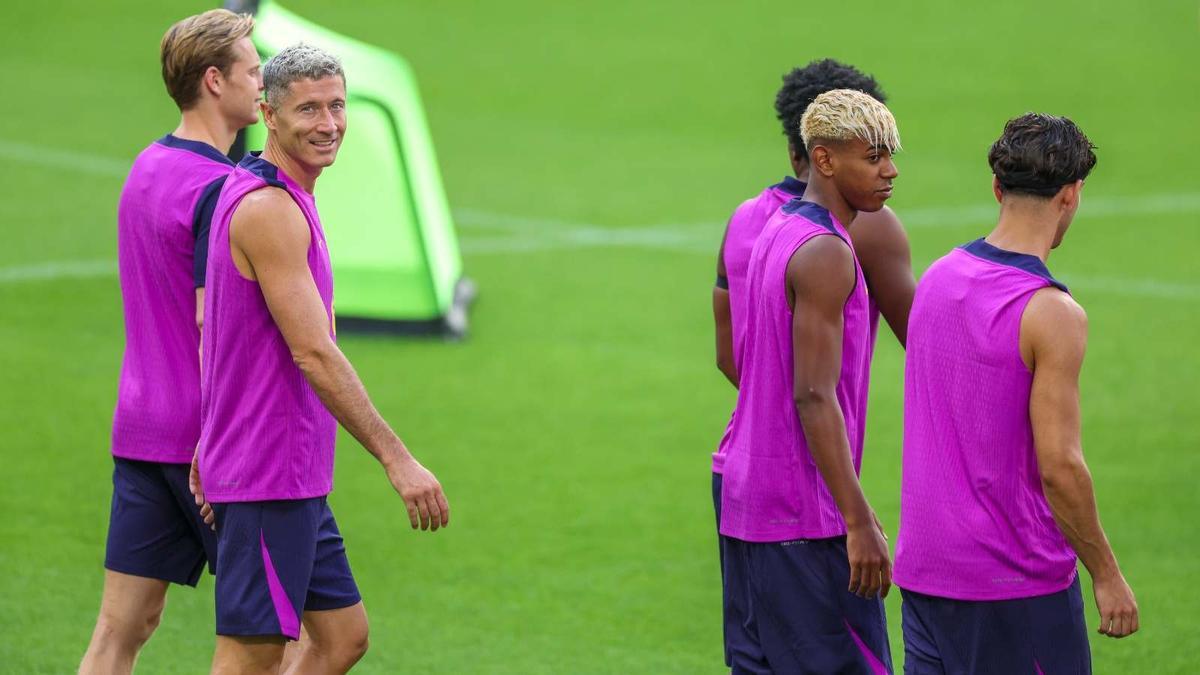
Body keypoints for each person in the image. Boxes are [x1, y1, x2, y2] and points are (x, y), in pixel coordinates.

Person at [195, 43, 450, 675]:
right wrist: (399, 460)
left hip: (289, 469)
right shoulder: (269, 210)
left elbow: (220, 331)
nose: (328, 123)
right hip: (267, 470)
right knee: (251, 655)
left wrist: (209, 434)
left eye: (337, 106)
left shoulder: (280, 191)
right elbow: (313, 352)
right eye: (308, 109)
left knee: (341, 638)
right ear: (268, 113)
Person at [893, 113, 1139, 673]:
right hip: (1012, 581)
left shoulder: (937, 278)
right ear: (1071, 195)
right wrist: (1105, 572)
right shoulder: (1052, 314)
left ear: (997, 187)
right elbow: (1060, 466)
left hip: (927, 573)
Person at [710, 60, 915, 666]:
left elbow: (733, 357)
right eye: (872, 154)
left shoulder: (757, 221)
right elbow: (919, 348)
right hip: (804, 501)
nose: (888, 171)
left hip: (740, 479)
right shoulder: (848, 237)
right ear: (824, 151)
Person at [80, 10, 261, 674]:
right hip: (205, 441)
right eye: (253, 68)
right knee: (282, 637)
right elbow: (213, 323)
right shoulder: (220, 188)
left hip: (139, 424)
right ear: (215, 81)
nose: (263, 80)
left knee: (120, 628)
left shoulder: (147, 164)